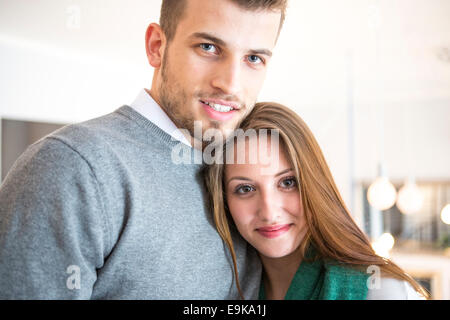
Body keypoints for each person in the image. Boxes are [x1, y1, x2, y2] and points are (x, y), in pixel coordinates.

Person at [0, 0, 287, 299]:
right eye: (208, 47)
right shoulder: (72, 166)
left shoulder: (250, 174)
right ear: (156, 46)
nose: (230, 84)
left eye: (253, 58)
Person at [203, 102, 430, 300]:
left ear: (314, 184)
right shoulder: (221, 289)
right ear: (224, 201)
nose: (269, 212)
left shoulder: (382, 291)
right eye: (245, 188)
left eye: (288, 182)